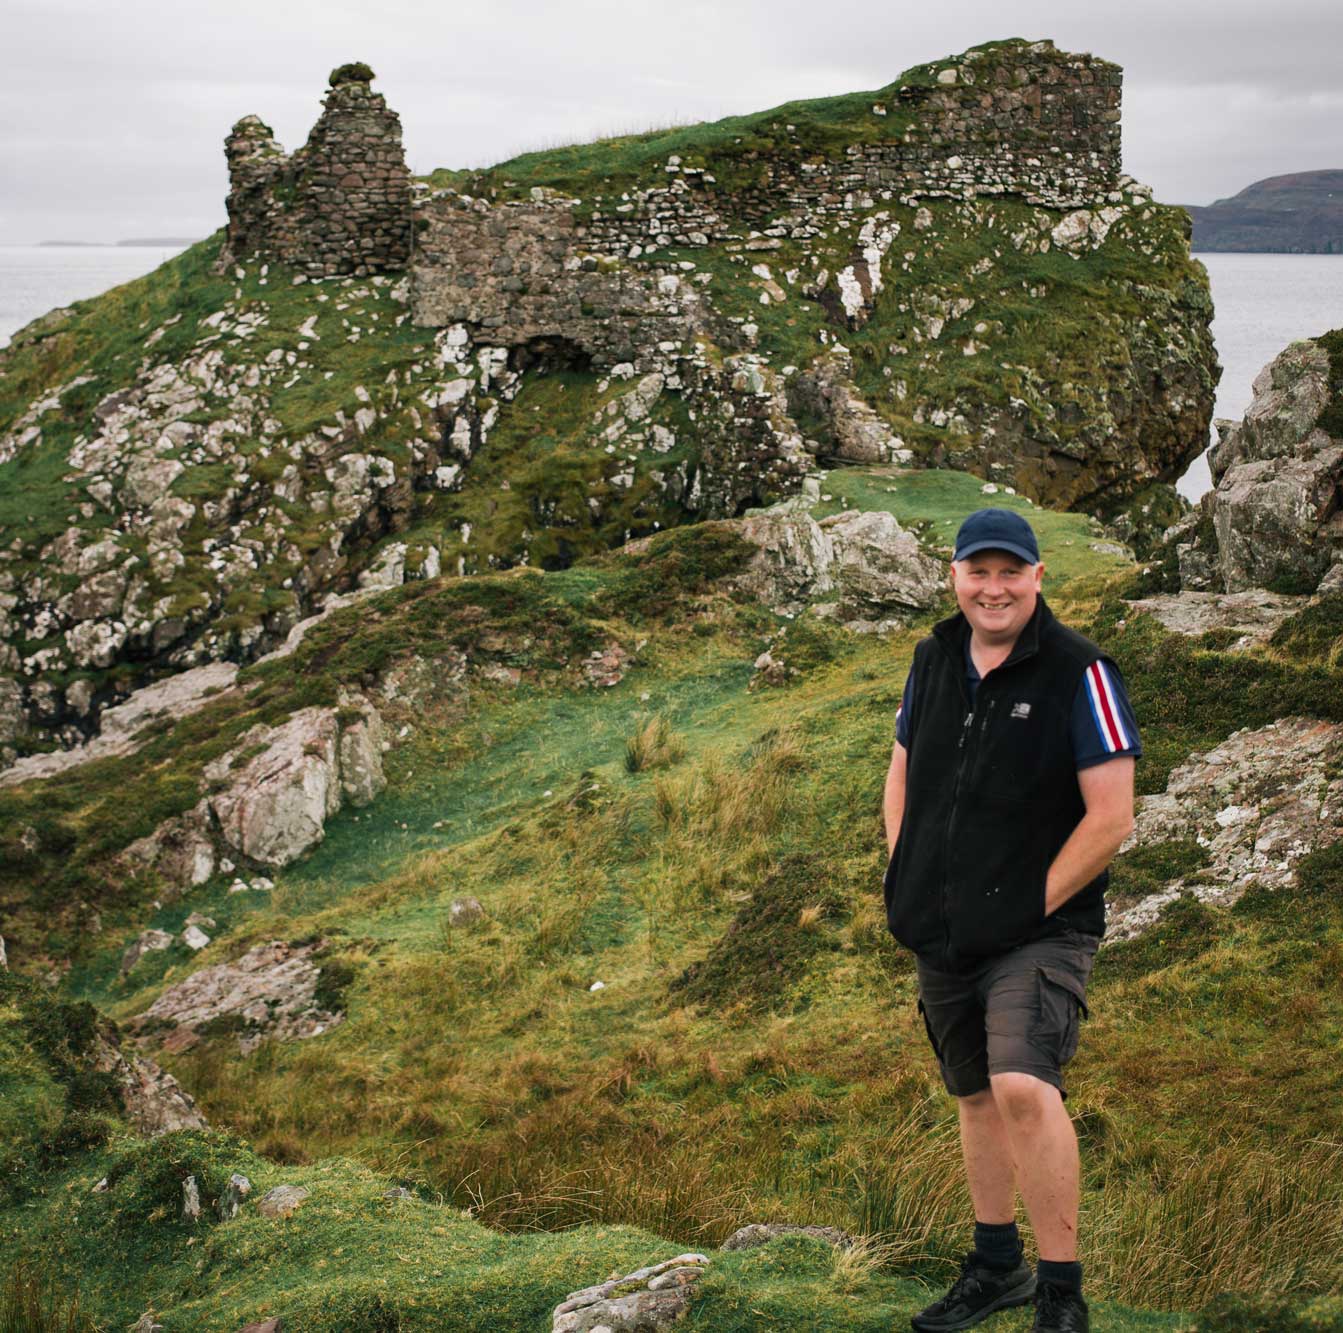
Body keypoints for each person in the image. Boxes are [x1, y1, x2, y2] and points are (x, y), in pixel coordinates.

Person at [883, 508, 1140, 1333]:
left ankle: (1061, 1293)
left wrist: (1027, 905)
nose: (992, 588)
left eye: (1009, 571)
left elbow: (1111, 818)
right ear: (954, 576)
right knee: (973, 1095)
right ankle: (996, 1266)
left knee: (1023, 1086)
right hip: (942, 928)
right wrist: (906, 876)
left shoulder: (1079, 671)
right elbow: (902, 774)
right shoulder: (930, 660)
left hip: (1040, 931)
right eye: (976, 571)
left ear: (1037, 578)